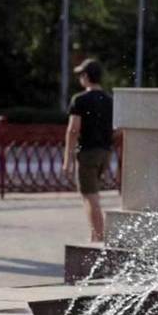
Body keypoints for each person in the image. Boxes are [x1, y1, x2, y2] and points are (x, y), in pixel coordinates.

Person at [62, 59, 114, 243]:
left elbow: (73, 129)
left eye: (80, 75)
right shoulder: (110, 100)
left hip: (87, 153)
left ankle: (98, 237)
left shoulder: (80, 100)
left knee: (89, 196)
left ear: (85, 76)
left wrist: (67, 160)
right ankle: (96, 234)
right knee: (94, 193)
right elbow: (117, 129)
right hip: (105, 153)